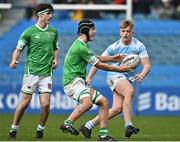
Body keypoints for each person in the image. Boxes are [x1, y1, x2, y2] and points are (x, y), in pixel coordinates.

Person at [59, 19, 132, 141]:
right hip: (72, 83)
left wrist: (114, 57)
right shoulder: (81, 47)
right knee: (87, 103)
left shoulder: (81, 46)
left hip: (78, 82)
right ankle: (67, 123)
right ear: (86, 30)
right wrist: (119, 69)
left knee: (104, 102)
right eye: (93, 29)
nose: (95, 32)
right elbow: (98, 64)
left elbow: (95, 58)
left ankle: (103, 135)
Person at [79, 20, 151, 139]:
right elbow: (97, 62)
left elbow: (147, 65)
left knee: (117, 108)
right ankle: (128, 125)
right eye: (123, 31)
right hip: (114, 75)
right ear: (120, 32)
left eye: (128, 31)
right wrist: (89, 77)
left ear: (132, 32)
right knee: (129, 91)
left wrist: (142, 74)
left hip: (126, 77)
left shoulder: (139, 45)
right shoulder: (114, 46)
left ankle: (88, 125)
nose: (125, 33)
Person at [9, 3, 59, 139]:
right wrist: (14, 60)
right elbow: (18, 49)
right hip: (32, 72)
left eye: (51, 13)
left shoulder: (53, 32)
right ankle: (14, 128)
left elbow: (55, 48)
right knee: (25, 102)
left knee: (46, 104)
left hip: (47, 73)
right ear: (40, 15)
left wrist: (56, 60)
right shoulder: (29, 32)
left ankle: (40, 129)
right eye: (48, 13)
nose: (51, 16)